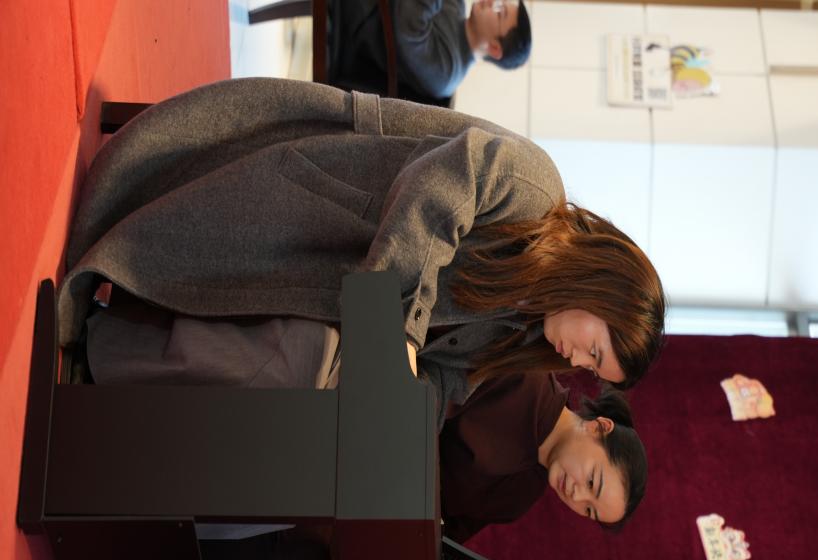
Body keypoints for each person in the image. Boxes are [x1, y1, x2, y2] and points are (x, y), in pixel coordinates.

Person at [59, 77, 665, 428]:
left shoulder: (522, 333)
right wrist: (397, 336)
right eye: (595, 349)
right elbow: (436, 195)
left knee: (308, 421)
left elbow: (448, 382)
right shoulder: (538, 192)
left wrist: (404, 415)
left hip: (349, 280)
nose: (575, 360)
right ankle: (109, 352)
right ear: (601, 291)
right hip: (339, 194)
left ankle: (116, 399)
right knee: (298, 366)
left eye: (590, 369)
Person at [440, 373, 646, 542]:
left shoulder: (522, 498)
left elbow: (443, 541)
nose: (576, 497)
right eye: (592, 482)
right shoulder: (527, 379)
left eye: (588, 510)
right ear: (598, 428)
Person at [332, 0, 532, 103]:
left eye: (500, 11)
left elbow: (409, 26)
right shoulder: (458, 6)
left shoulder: (448, 73)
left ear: (495, 48)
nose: (492, 2)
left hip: (354, 21)